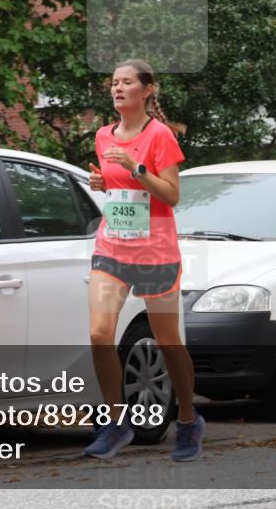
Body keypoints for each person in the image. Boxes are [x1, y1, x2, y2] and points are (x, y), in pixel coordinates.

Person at [81, 58, 205, 462]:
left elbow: (170, 195)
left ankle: (187, 419)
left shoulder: (160, 136)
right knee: (100, 334)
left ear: (147, 90)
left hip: (155, 251)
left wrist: (135, 168)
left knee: (168, 342)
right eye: (114, 82)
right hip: (113, 245)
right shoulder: (103, 135)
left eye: (127, 82)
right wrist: (102, 181)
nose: (117, 88)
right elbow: (116, 188)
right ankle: (116, 423)